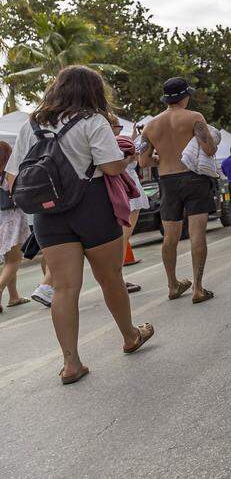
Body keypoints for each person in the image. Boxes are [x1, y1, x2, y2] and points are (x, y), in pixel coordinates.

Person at [4, 66, 153, 383]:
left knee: (64, 287)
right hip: (92, 206)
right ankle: (129, 335)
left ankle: (71, 363)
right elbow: (111, 167)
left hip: (48, 215)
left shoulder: (32, 125)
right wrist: (126, 158)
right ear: (93, 91)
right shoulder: (93, 121)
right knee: (110, 277)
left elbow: (12, 179)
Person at [138, 76, 217, 304]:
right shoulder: (194, 117)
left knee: (170, 237)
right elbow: (209, 149)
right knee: (197, 233)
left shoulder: (150, 126)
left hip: (167, 181)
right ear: (185, 96)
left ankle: (172, 285)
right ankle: (198, 288)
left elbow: (143, 162)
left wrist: (162, 158)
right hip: (194, 179)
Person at [108, 118, 145, 293]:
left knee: (122, 238)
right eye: (119, 127)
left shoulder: (110, 144)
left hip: (125, 190)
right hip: (129, 190)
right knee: (123, 238)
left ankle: (118, 277)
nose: (121, 130)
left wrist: (134, 136)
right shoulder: (118, 143)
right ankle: (118, 278)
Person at [0, 141, 31, 312]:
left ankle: (14, 296)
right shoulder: (9, 174)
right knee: (14, 261)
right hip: (12, 219)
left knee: (8, 260)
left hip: (1, 220)